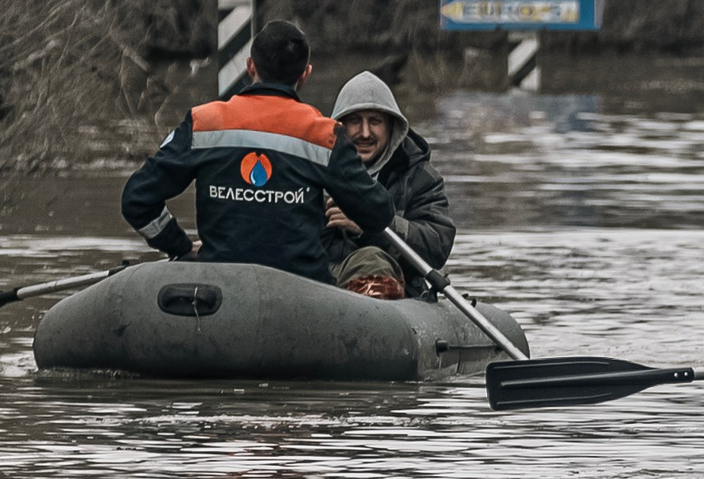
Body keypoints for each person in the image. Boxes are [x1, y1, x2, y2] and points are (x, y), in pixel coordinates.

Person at [122, 20, 397, 282]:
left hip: (219, 288)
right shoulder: (324, 134)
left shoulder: (202, 123)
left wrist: (178, 245)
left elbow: (137, 199)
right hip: (306, 295)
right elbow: (379, 213)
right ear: (306, 74)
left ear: (250, 66)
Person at [320, 71, 455, 300]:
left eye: (375, 121)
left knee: (372, 261)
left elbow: (436, 245)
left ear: (392, 127)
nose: (364, 133)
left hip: (395, 298)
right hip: (318, 290)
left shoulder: (420, 178)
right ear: (339, 125)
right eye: (354, 121)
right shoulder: (312, 169)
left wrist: (369, 225)